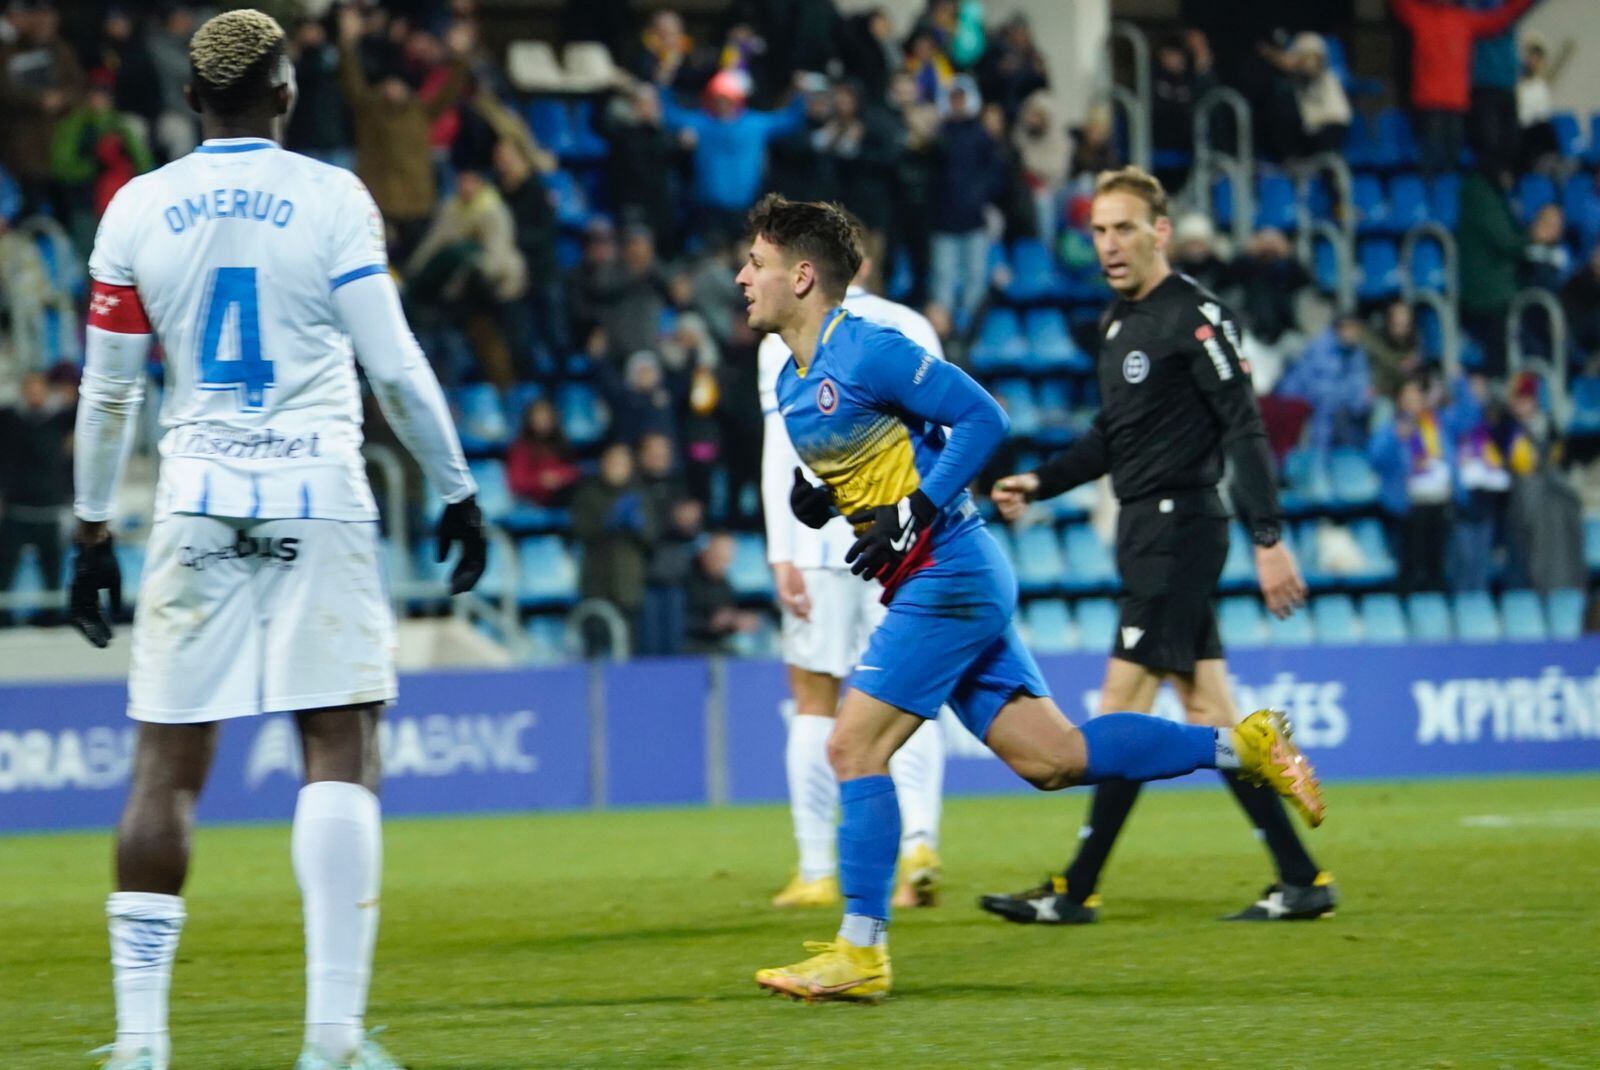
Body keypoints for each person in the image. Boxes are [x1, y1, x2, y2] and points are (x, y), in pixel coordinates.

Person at [739, 192, 1325, 1003]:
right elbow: (895, 449)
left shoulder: (867, 349)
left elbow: (982, 417)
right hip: (948, 578)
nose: (743, 277)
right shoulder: (796, 379)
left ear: (802, 277)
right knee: (1055, 759)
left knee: (853, 749)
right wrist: (824, 500)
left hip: (949, 574)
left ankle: (861, 949)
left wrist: (916, 511)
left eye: (758, 264)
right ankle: (1244, 746)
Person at [66, 12, 487, 1070]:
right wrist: (456, 487)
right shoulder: (332, 197)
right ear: (288, 93)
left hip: (197, 495)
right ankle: (334, 1038)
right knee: (337, 741)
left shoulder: (139, 207)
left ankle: (140, 1041)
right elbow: (392, 365)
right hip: (316, 493)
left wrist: (90, 528)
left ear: (194, 103)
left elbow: (108, 391)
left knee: (166, 760)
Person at [978, 167, 1334, 929]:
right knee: (1208, 709)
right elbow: (1113, 437)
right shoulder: (1115, 324)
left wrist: (1268, 538)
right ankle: (1302, 879)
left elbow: (1244, 425)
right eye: (1098, 231)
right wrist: (1040, 482)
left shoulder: (1197, 316)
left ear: (1160, 231)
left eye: (1124, 228)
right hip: (1145, 528)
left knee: (1116, 714)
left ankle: (1073, 889)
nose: (1109, 244)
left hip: (1181, 528)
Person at [758, 242, 950, 912]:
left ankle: (817, 871)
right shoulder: (909, 325)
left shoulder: (782, 340)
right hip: (900, 540)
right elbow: (944, 439)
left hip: (820, 548)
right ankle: (921, 843)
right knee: (907, 696)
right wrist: (924, 521)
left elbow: (779, 450)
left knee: (815, 700)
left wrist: (781, 549)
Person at [1389, 0, 1537, 176]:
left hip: (1456, 103)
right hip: (1429, 101)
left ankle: (1446, 199)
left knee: (1451, 160)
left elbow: (1500, 19)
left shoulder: (1465, 19)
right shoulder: (1422, 15)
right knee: (1432, 159)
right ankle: (1431, 199)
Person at [0, 370, 74, 625]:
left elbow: (89, 412)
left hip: (50, 509)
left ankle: (52, 617)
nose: (35, 394)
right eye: (30, 389)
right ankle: (4, 617)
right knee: (5, 571)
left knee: (52, 571)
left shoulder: (59, 420)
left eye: (39, 389)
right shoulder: (9, 419)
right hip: (16, 509)